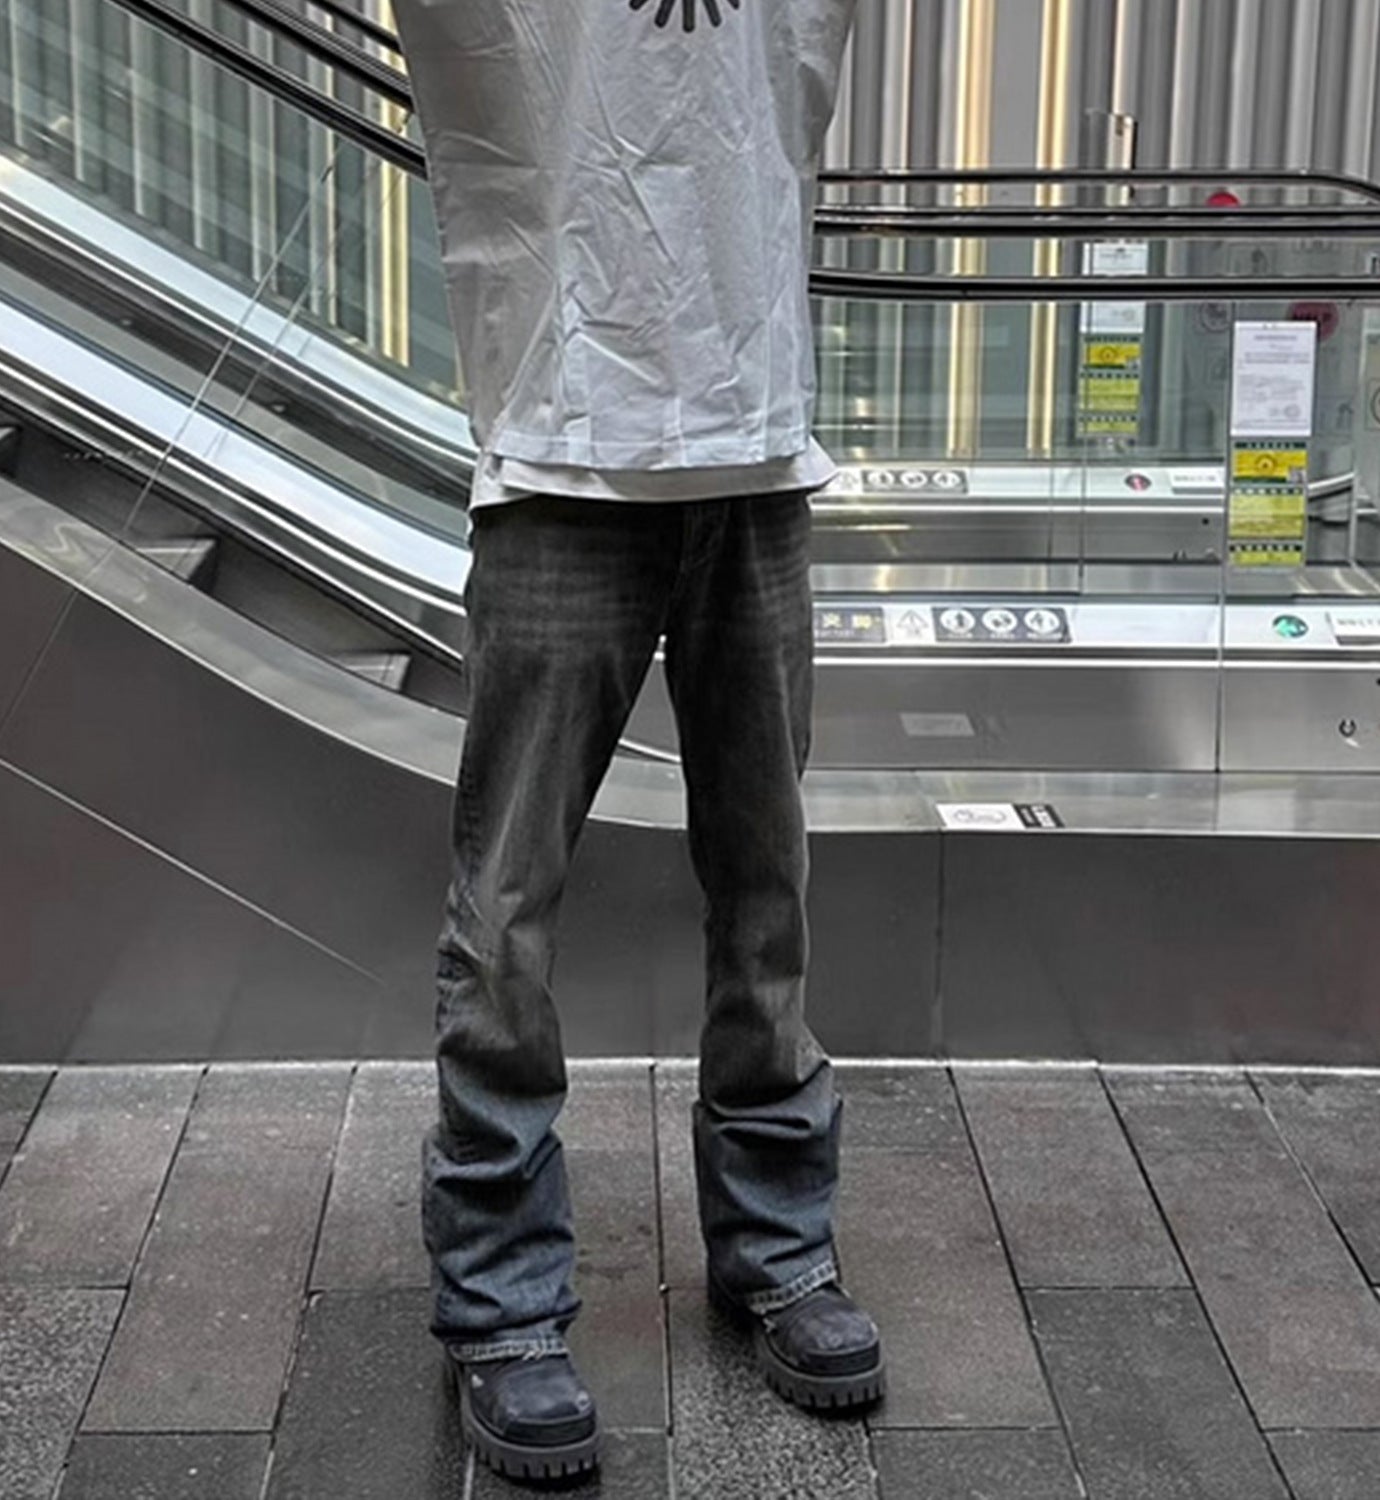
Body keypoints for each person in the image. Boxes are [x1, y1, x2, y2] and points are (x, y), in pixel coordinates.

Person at [392, 0, 882, 1482]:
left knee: (767, 886)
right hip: (562, 445)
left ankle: (777, 1249)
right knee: (506, 912)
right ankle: (501, 1297)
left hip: (756, 438)